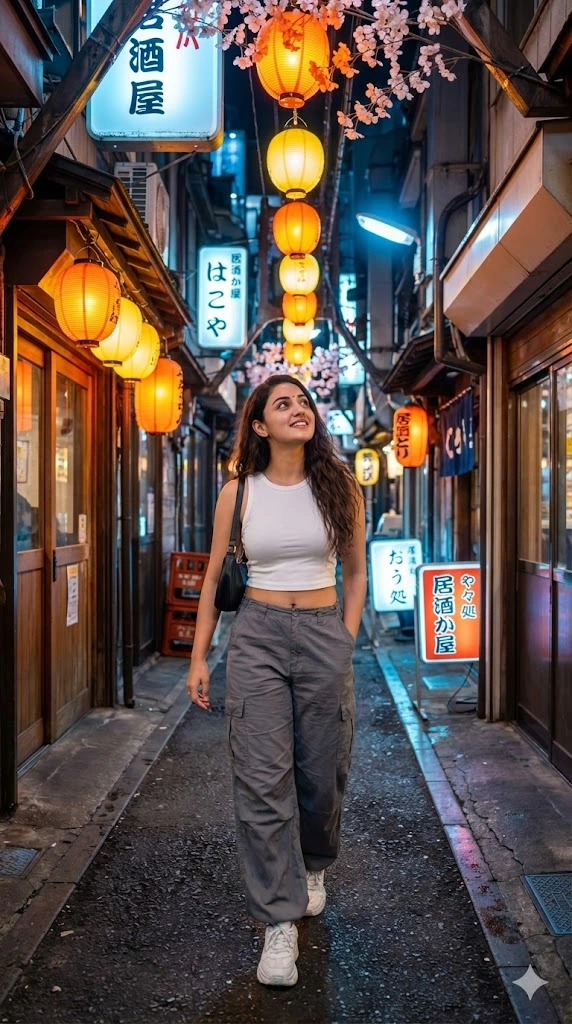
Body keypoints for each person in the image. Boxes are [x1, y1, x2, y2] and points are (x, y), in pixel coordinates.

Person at [187, 374, 366, 987]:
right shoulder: (237, 493)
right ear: (260, 426)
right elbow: (214, 578)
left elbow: (356, 573)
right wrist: (199, 656)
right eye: (283, 404)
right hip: (258, 634)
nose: (299, 409)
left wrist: (343, 637)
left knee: (323, 772)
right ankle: (278, 924)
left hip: (321, 632)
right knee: (262, 780)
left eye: (304, 401)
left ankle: (315, 863)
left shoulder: (339, 485)